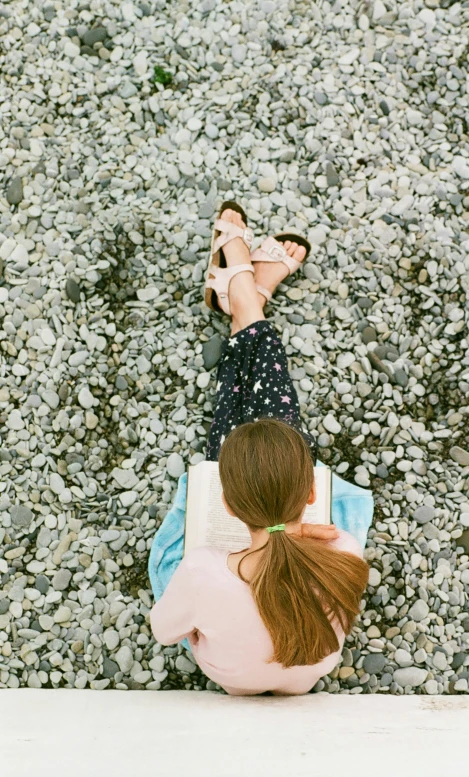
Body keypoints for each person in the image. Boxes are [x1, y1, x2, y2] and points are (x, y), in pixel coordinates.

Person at [149, 204, 369, 696]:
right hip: (301, 680)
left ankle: (246, 296)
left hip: (230, 677)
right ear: (312, 491)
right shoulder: (344, 553)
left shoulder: (204, 570)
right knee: (253, 433)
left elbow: (165, 631)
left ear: (223, 503)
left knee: (274, 425)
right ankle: (248, 298)